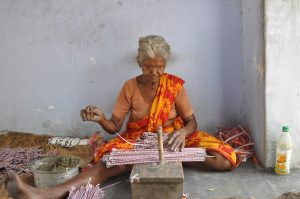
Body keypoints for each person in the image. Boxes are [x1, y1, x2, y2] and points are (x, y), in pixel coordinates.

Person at [6, 35, 237, 199]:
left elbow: (192, 122)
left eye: (160, 67)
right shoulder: (130, 87)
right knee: (106, 164)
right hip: (138, 141)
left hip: (174, 141)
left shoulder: (174, 85)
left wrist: (182, 134)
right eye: (148, 67)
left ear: (165, 65)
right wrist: (101, 118)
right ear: (140, 64)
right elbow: (114, 126)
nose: (155, 73)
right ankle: (43, 194)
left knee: (223, 160)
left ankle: (176, 157)